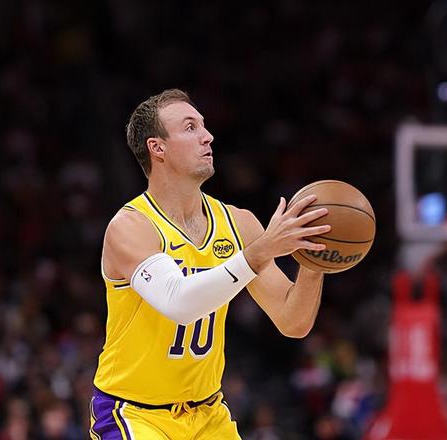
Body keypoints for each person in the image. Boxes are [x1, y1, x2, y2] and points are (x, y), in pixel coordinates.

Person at [90, 89, 331, 439]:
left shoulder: (239, 223)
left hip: (207, 414)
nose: (208, 136)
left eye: (203, 125)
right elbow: (178, 303)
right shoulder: (131, 226)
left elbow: (293, 322)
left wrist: (315, 258)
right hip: (135, 414)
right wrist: (259, 252)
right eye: (190, 127)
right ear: (157, 148)